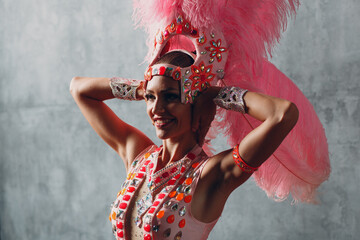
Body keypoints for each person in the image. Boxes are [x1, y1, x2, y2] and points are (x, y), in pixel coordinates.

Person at [70, 49, 299, 239]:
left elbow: (283, 114)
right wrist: (143, 88)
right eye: (151, 98)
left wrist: (213, 94)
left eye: (171, 97)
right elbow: (78, 89)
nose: (157, 109)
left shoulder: (212, 175)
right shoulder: (138, 155)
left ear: (194, 102)